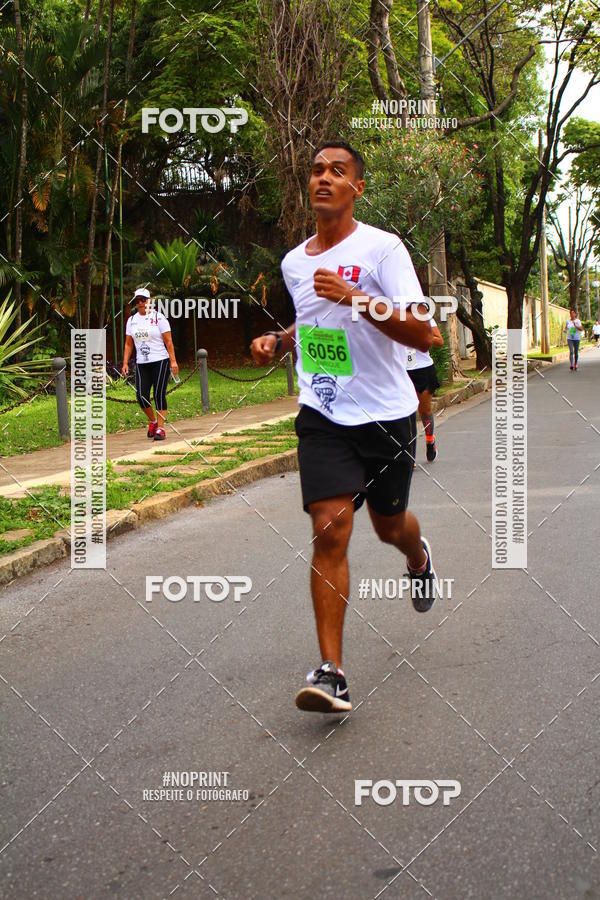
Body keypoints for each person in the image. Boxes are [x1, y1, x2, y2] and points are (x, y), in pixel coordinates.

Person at [250, 140, 437, 714]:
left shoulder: (383, 249)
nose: (323, 178)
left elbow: (424, 333)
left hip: (386, 414)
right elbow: (310, 320)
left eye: (338, 171)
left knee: (388, 527)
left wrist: (358, 299)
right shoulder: (293, 261)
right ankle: (332, 672)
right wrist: (278, 342)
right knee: (330, 530)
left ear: (357, 187)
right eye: (315, 171)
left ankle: (418, 556)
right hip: (325, 411)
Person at [122, 288, 178, 440]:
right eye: (138, 300)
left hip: (160, 360)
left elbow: (168, 341)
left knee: (159, 393)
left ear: (149, 301)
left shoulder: (158, 318)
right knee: (141, 395)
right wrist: (125, 362)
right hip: (142, 362)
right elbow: (128, 344)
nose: (141, 303)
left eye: (143, 300)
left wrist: (173, 361)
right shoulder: (132, 320)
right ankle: (153, 421)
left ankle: (161, 428)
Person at [406, 317, 444, 462]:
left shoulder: (423, 316)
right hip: (401, 371)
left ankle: (430, 440)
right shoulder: (389, 315)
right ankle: (410, 456)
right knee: (407, 414)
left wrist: (420, 336)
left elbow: (439, 341)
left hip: (422, 369)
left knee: (425, 410)